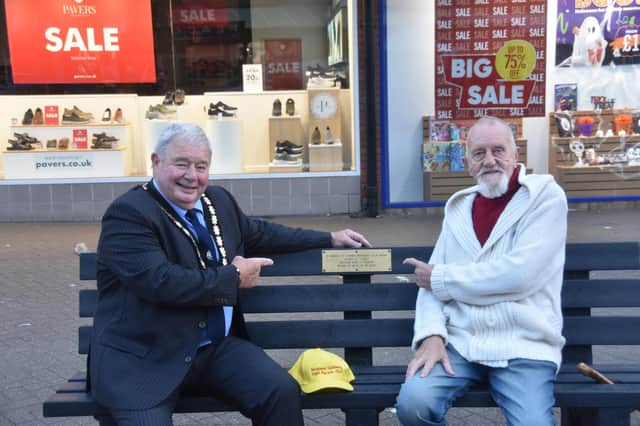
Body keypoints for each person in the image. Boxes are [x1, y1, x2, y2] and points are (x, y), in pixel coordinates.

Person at [90, 122, 371, 425]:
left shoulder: (217, 201)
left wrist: (327, 238)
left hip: (213, 350)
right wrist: (233, 277)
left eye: (201, 166)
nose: (192, 176)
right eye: (181, 164)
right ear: (156, 162)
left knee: (280, 391)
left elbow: (260, 233)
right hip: (144, 359)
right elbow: (160, 281)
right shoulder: (129, 213)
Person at [396, 116, 568, 426]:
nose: (490, 160)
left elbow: (520, 276)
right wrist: (431, 335)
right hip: (463, 344)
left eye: (498, 150)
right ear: (468, 162)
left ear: (516, 155)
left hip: (524, 346)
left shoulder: (544, 197)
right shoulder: (459, 208)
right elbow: (428, 281)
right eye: (479, 153)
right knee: (414, 404)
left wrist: (442, 279)